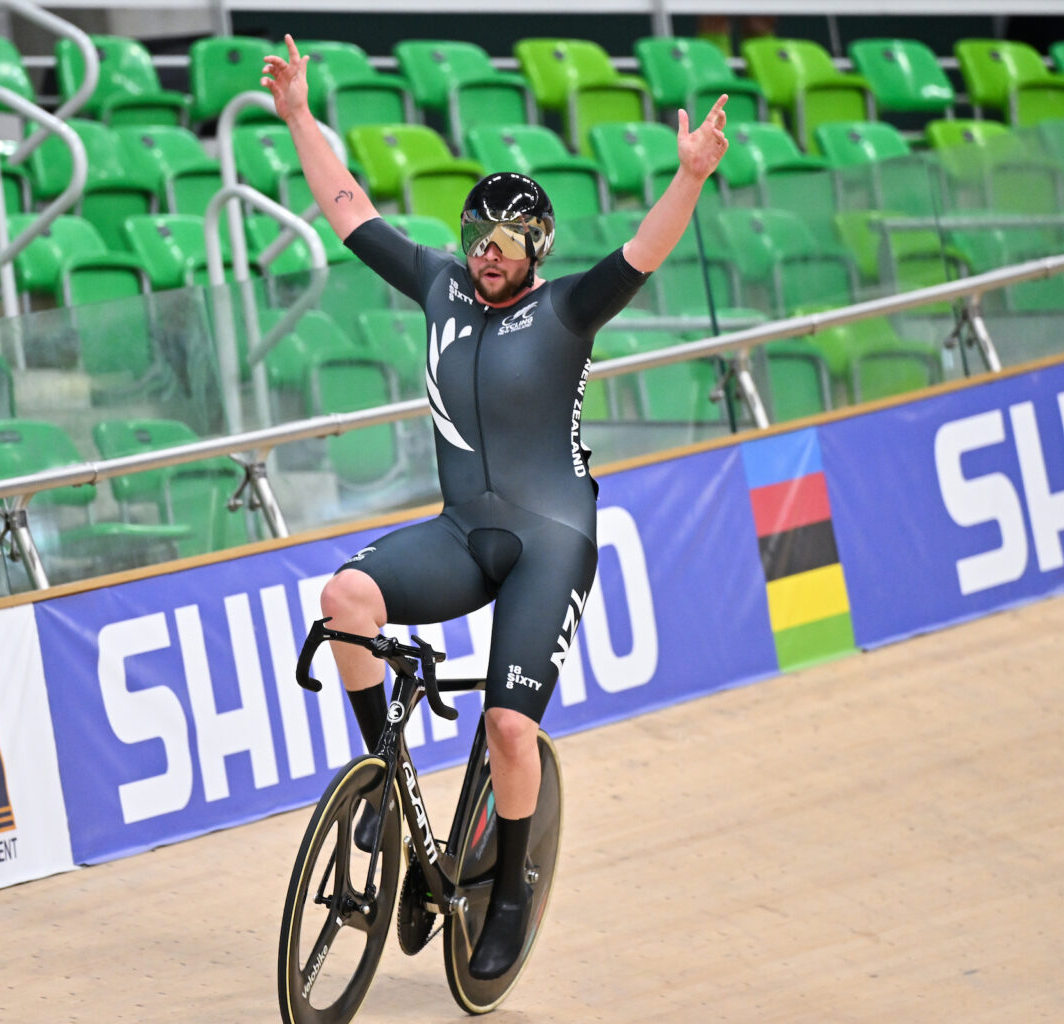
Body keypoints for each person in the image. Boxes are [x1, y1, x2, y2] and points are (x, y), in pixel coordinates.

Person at [262, 34, 730, 981]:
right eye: (477, 239)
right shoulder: (437, 285)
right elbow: (350, 211)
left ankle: (510, 887)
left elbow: (642, 251)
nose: (485, 257)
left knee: (510, 727)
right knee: (344, 602)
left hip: (551, 542)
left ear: (535, 254)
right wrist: (302, 117)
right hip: (463, 534)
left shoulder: (564, 312)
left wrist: (687, 179)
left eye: (505, 247)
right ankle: (384, 788)